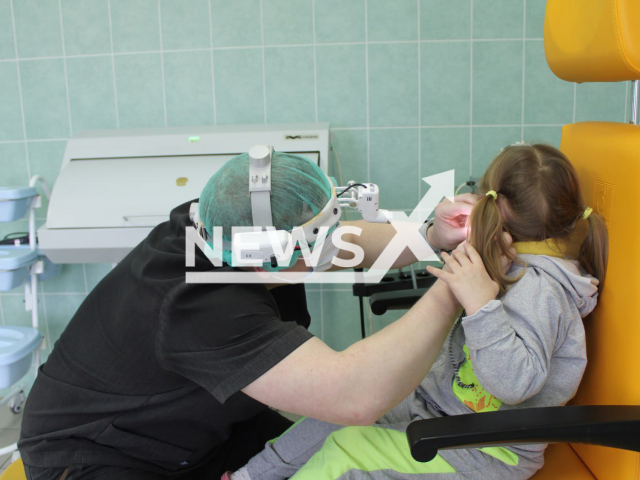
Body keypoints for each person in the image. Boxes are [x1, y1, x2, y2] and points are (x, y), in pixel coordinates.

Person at [18, 150, 475, 480]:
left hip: (199, 428)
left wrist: (432, 236)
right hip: (95, 456)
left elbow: (334, 240)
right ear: (267, 256)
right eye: (319, 243)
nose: (338, 246)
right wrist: (451, 287)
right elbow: (354, 394)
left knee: (322, 457)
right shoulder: (200, 305)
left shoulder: (215, 225)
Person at [230, 143, 609, 480]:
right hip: (436, 411)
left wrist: (481, 307)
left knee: (345, 455)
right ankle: (252, 474)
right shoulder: (507, 264)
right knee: (338, 414)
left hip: (487, 449)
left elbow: (514, 385)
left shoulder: (542, 292)